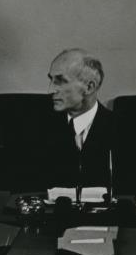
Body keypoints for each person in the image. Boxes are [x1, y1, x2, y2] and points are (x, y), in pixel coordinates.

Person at [40, 48, 117, 191]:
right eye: (51, 80)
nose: (51, 90)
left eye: (61, 81)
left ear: (89, 87)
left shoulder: (125, 132)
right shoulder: (35, 128)